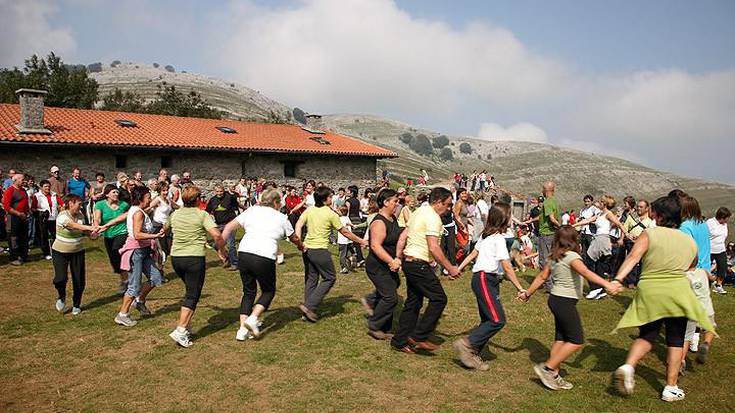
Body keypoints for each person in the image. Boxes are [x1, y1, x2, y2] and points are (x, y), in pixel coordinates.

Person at [612, 196, 715, 402]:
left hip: (650, 290)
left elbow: (633, 257)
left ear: (658, 216)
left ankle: (628, 366)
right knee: (676, 340)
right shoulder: (688, 241)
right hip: (677, 292)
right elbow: (692, 265)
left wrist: (617, 279)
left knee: (647, 335)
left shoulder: (649, 234)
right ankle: (670, 387)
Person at [521, 225, 621, 389]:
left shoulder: (554, 256)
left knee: (561, 338)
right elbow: (586, 272)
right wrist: (607, 284)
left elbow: (541, 276)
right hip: (564, 301)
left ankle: (553, 375)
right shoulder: (573, 256)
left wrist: (527, 294)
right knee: (576, 340)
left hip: (555, 300)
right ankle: (548, 368)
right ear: (574, 240)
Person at [220, 188, 304, 341]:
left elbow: (228, 227)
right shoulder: (281, 217)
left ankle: (241, 330)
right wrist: (301, 246)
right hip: (264, 256)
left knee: (248, 291)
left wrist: (221, 248)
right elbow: (293, 238)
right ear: (275, 202)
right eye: (280, 202)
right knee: (268, 291)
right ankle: (252, 319)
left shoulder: (251, 211)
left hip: (244, 253)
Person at [452, 202, 527, 370]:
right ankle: (467, 344)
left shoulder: (485, 236)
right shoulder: (498, 239)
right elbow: (507, 266)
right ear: (503, 219)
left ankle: (471, 355)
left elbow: (473, 253)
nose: (511, 219)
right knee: (497, 320)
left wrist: (459, 268)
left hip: (483, 279)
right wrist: (520, 288)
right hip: (485, 279)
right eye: (509, 215)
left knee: (487, 319)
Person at [390, 187, 459, 354]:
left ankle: (399, 341)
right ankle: (419, 336)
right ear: (438, 202)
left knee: (414, 303)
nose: (449, 208)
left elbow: (403, 237)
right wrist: (450, 268)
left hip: (409, 262)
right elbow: (434, 247)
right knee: (439, 299)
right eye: (448, 205)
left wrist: (398, 257)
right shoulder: (433, 218)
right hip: (419, 264)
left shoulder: (418, 212)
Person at [294, 186, 367, 322]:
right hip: (320, 250)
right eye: (330, 197)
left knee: (311, 279)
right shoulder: (331, 214)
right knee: (330, 278)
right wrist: (361, 240)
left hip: (307, 249)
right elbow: (345, 232)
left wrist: (299, 241)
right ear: (325, 199)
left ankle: (307, 312)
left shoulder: (310, 210)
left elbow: (298, 224)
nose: (331, 198)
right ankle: (309, 306)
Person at [166, 186, 226, 347]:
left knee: (190, 291)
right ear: (198, 199)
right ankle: (180, 330)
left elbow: (164, 230)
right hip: (194, 258)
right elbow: (217, 234)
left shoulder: (175, 214)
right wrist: (221, 251)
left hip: (177, 258)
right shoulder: (202, 214)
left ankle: (187, 325)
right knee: (193, 295)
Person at [114, 186, 165, 327]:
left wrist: (106, 225)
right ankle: (122, 315)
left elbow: (121, 218)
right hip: (135, 252)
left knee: (156, 278)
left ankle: (139, 301)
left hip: (144, 251)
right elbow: (137, 234)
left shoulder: (137, 210)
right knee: (134, 286)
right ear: (141, 198)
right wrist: (155, 235)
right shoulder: (138, 213)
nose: (150, 199)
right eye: (148, 196)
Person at [362, 189, 403, 340]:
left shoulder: (393, 218)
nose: (397, 204)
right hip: (377, 266)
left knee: (394, 285)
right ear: (385, 202)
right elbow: (375, 246)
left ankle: (384, 326)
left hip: (387, 265)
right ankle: (374, 325)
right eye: (395, 201)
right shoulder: (379, 222)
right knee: (391, 297)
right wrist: (391, 261)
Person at [51, 194, 100, 315]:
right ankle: (61, 296)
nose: (81, 206)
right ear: (70, 203)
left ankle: (76, 304)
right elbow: (74, 226)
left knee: (79, 280)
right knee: (60, 278)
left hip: (77, 251)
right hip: (60, 252)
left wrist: (92, 235)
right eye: (79, 203)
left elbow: (83, 231)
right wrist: (91, 227)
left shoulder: (81, 216)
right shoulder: (62, 217)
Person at [574, 196, 628, 300]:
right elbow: (588, 220)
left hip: (602, 239)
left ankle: (594, 288)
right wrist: (574, 225)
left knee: (588, 261)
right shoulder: (599, 213)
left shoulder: (608, 214)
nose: (598, 202)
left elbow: (618, 223)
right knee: (600, 265)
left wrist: (626, 234)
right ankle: (601, 289)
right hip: (599, 239)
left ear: (605, 204)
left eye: (601, 201)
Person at [94, 184, 130, 294]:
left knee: (116, 251)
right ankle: (125, 280)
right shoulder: (100, 205)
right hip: (108, 235)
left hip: (122, 232)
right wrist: (96, 227)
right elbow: (97, 218)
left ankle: (129, 280)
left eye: (117, 192)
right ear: (107, 194)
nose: (116, 194)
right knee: (114, 260)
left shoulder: (124, 205)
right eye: (113, 192)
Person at [681, 263, 716, 373]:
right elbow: (712, 278)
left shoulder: (683, 276)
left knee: (686, 337)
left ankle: (681, 360)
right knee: (710, 329)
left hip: (692, 310)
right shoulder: (703, 271)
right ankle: (706, 343)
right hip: (707, 308)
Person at [206, 184, 240, 270]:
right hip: (219, 224)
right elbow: (207, 211)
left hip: (230, 223)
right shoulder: (213, 200)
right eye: (217, 191)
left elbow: (236, 205)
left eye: (221, 191)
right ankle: (227, 258)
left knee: (230, 244)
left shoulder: (230, 198)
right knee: (216, 245)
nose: (219, 193)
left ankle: (235, 264)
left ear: (224, 191)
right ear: (215, 192)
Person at [622, 199, 655, 287]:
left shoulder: (650, 221)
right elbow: (625, 228)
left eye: (641, 207)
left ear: (647, 208)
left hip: (643, 244)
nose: (638, 208)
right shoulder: (631, 217)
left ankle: (639, 280)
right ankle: (630, 281)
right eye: (638, 206)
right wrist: (627, 235)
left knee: (642, 263)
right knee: (631, 261)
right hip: (630, 243)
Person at [32, 180, 63, 260]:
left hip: (54, 218)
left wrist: (61, 209)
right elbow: (33, 208)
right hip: (43, 219)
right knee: (44, 237)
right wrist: (40, 212)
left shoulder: (54, 194)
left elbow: (61, 204)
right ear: (41, 187)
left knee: (56, 236)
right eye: (45, 186)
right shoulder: (37, 196)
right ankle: (46, 253)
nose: (48, 188)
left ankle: (57, 251)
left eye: (49, 186)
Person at [537, 182, 561, 290]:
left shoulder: (547, 202)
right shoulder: (555, 201)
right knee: (552, 259)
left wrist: (561, 227)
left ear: (546, 190)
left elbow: (551, 218)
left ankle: (549, 286)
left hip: (546, 234)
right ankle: (553, 282)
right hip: (553, 234)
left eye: (543, 189)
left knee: (543, 260)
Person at [679, 196, 711, 274]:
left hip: (694, 270)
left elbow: (688, 250)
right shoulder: (703, 224)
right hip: (706, 267)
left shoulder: (684, 226)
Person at [3, 173, 30, 265]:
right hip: (14, 218)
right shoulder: (10, 190)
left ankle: (23, 256)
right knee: (13, 237)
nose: (24, 181)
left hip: (24, 218)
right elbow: (6, 206)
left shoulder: (23, 190)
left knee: (24, 237)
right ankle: (14, 257)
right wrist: (18, 213)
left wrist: (27, 212)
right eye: (22, 179)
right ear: (16, 180)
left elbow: (25, 203)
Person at [707, 207, 731, 294]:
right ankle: (706, 283)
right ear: (722, 217)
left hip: (721, 249)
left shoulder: (724, 225)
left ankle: (718, 285)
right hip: (709, 249)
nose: (728, 220)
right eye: (727, 218)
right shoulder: (710, 223)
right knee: (706, 267)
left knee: (723, 267)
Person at [147, 181, 173, 259]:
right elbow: (148, 208)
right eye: (163, 191)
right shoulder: (157, 199)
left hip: (166, 224)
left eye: (167, 190)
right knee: (154, 242)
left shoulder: (168, 199)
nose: (166, 192)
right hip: (157, 224)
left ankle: (161, 258)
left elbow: (176, 206)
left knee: (167, 246)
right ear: (159, 191)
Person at [336, 205, 354, 273]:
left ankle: (343, 267)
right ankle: (351, 258)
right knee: (347, 252)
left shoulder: (340, 219)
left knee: (342, 254)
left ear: (341, 212)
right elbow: (349, 223)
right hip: (348, 239)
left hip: (342, 240)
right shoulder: (347, 218)